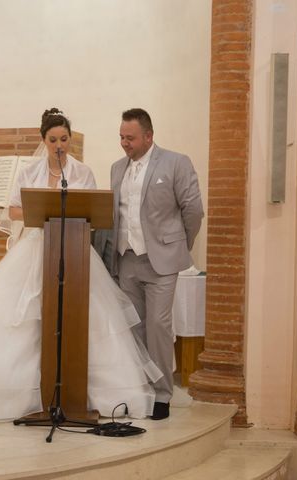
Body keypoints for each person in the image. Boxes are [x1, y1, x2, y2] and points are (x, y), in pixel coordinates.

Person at [0, 108, 161, 422]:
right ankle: (29, 395)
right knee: (26, 317)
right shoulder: (29, 172)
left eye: (64, 139)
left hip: (74, 252)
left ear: (70, 140)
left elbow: (94, 211)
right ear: (44, 141)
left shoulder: (82, 172)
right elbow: (14, 211)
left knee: (86, 315)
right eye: (53, 139)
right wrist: (39, 207)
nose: (60, 144)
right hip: (35, 249)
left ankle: (78, 391)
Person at [109, 108, 204, 420]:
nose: (124, 142)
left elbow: (193, 210)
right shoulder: (116, 168)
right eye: (122, 136)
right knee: (134, 327)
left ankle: (162, 395)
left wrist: (179, 246)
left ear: (148, 136)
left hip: (161, 261)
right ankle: (140, 389)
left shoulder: (176, 162)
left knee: (159, 327)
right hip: (127, 260)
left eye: (130, 137)